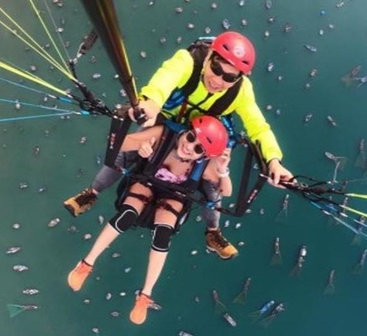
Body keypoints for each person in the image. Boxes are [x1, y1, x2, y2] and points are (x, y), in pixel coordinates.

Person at [64, 31, 294, 259]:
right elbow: (163, 82)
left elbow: (258, 127)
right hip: (168, 120)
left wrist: (273, 160)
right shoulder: (187, 62)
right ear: (209, 56)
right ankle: (92, 192)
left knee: (214, 180)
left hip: (203, 133)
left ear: (240, 77)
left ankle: (213, 231)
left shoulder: (241, 91)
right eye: (216, 69)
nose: (218, 80)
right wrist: (151, 105)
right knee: (128, 150)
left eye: (229, 77)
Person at [67, 116, 231, 324]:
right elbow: (121, 144)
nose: (189, 148)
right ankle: (86, 263)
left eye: (198, 149)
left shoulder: (204, 166)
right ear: (186, 131)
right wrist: (141, 145)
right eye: (190, 138)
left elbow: (223, 191)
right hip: (146, 182)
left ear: (204, 155)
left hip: (173, 197)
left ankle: (145, 295)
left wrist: (223, 169)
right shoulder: (163, 136)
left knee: (163, 235)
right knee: (126, 216)